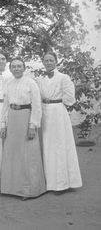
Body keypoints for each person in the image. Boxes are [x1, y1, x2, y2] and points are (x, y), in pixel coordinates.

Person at [36, 51, 82, 193]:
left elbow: (70, 99)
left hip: (58, 112)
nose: (48, 63)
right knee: (47, 145)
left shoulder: (64, 77)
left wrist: (57, 102)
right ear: (43, 62)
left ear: (56, 61)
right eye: (46, 60)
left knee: (59, 145)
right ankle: (49, 182)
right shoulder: (40, 78)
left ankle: (62, 183)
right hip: (44, 112)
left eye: (51, 60)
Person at [0, 57, 46, 200]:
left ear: (24, 68)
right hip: (12, 118)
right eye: (13, 66)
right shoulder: (8, 83)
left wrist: (33, 125)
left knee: (27, 154)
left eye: (19, 66)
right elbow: (5, 105)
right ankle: (11, 188)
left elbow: (37, 105)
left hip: (26, 117)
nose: (16, 68)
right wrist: (3, 124)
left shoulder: (31, 83)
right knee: (12, 153)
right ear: (10, 68)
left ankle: (28, 190)